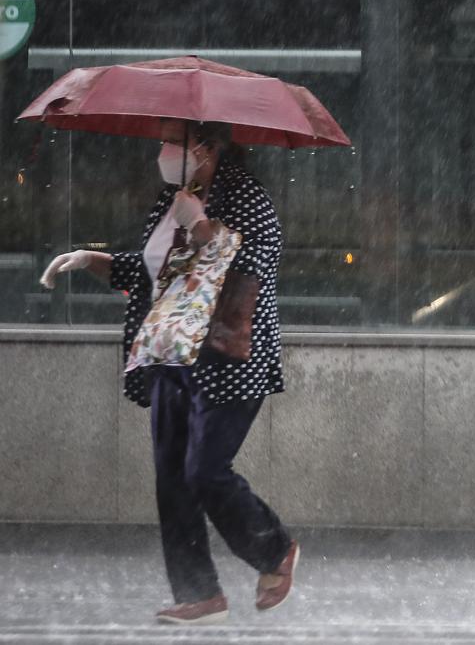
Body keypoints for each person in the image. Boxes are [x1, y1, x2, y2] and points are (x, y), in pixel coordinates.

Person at [39, 120, 298, 625]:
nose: (164, 151)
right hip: (170, 353)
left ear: (205, 146)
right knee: (173, 479)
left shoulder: (246, 197)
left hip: (226, 357)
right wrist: (93, 259)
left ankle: (274, 551)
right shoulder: (173, 197)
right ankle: (198, 593)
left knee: (205, 471)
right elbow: (155, 271)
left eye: (174, 141)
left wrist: (202, 226)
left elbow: (254, 265)